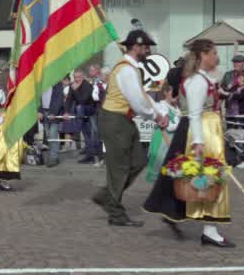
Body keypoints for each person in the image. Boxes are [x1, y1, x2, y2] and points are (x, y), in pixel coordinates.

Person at [142, 39, 234, 247]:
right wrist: (199, 141)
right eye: (213, 53)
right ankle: (209, 229)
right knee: (208, 177)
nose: (217, 57)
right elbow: (194, 113)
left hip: (208, 130)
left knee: (206, 177)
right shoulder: (197, 81)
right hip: (202, 131)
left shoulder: (203, 78)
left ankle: (194, 221)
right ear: (203, 55)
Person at [90, 30, 170, 227]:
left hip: (123, 120)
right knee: (119, 168)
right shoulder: (127, 70)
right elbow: (138, 102)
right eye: (146, 47)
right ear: (136, 47)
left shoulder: (131, 69)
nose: (148, 51)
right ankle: (116, 213)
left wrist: (159, 111)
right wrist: (156, 116)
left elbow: (142, 96)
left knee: (139, 161)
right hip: (115, 120)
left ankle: (106, 196)